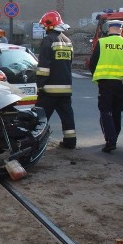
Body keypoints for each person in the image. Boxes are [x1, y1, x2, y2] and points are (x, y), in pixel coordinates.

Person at [88, 19, 123, 153]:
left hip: (105, 82)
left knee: (105, 111)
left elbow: (92, 63)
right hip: (120, 84)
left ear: (109, 29)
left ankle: (110, 140)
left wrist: (97, 75)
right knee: (117, 111)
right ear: (121, 29)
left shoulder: (102, 42)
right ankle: (115, 137)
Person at [35, 11, 76, 149]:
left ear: (49, 25)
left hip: (49, 89)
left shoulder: (48, 40)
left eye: (44, 26)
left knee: (40, 118)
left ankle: (36, 142)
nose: (44, 29)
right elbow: (69, 63)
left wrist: (40, 85)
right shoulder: (68, 41)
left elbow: (44, 67)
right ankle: (70, 142)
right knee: (67, 116)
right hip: (65, 88)